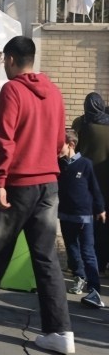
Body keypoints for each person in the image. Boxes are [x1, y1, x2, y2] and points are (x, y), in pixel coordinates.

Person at [0, 36, 75, 355]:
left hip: (19, 183)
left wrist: (0, 181)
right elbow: (60, 141)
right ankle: (60, 331)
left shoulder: (12, 91)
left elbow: (5, 141)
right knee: (46, 258)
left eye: (4, 60)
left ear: (11, 60)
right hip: (48, 184)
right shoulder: (54, 91)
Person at [58, 128, 106, 307]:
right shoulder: (59, 165)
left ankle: (94, 291)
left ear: (71, 144)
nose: (57, 148)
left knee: (88, 252)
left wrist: (100, 208)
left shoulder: (85, 164)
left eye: (60, 145)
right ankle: (79, 277)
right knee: (72, 249)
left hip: (84, 216)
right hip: (65, 215)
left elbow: (94, 188)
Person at [72, 92, 109, 273]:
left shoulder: (81, 124)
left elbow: (74, 152)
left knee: (86, 225)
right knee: (104, 224)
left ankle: (86, 265)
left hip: (86, 182)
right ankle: (102, 263)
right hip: (105, 184)